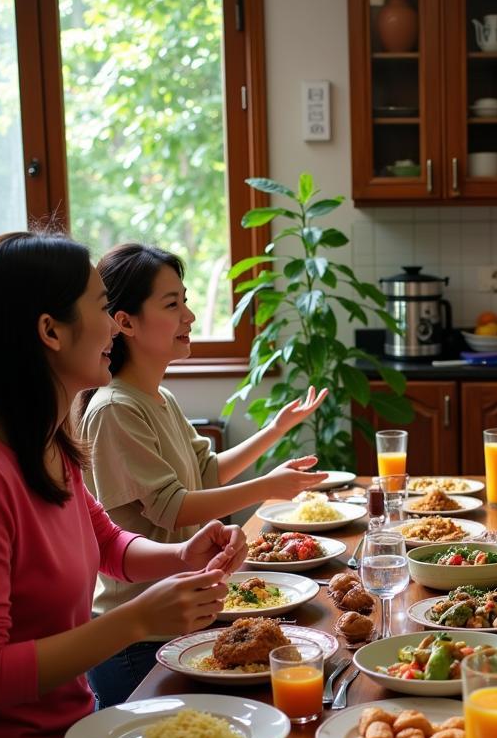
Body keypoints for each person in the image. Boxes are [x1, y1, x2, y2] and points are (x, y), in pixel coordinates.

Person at [0, 232, 246, 738]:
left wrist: (181, 555)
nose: (113, 322)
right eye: (97, 301)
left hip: (69, 735)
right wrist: (137, 621)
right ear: (51, 332)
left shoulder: (50, 445)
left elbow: (109, 543)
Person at [79, 243, 327, 706]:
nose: (189, 316)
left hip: (180, 617)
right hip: (136, 640)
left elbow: (206, 472)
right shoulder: (115, 409)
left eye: (185, 300)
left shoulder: (159, 397)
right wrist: (270, 486)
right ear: (124, 322)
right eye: (172, 304)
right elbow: (173, 509)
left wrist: (275, 430)